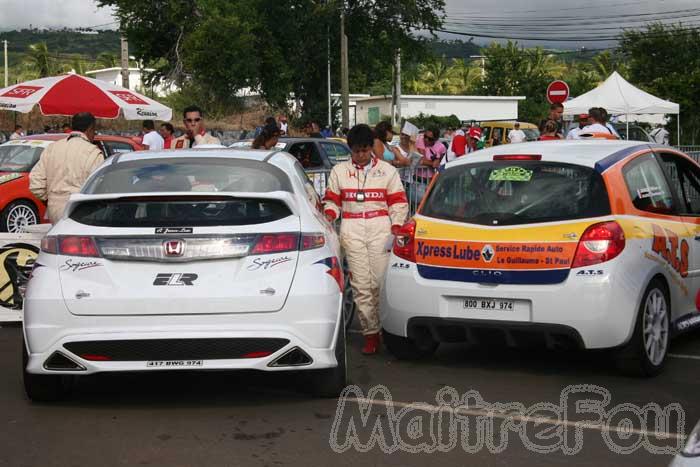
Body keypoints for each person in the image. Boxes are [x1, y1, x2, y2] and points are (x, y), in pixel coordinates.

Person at [322, 124, 408, 355]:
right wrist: (330, 213)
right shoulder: (339, 172)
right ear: (350, 150)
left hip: (381, 228)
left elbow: (399, 202)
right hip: (352, 227)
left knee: (379, 284)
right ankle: (370, 334)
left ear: (371, 148)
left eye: (365, 150)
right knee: (360, 285)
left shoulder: (387, 171)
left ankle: (385, 330)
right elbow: (331, 200)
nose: (361, 155)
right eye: (356, 151)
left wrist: (397, 225)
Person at [29, 112, 104, 224]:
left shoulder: (52, 148)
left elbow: (36, 184)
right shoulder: (93, 153)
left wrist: (50, 201)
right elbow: (99, 188)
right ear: (90, 129)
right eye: (94, 131)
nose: (94, 135)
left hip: (54, 211)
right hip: (82, 212)